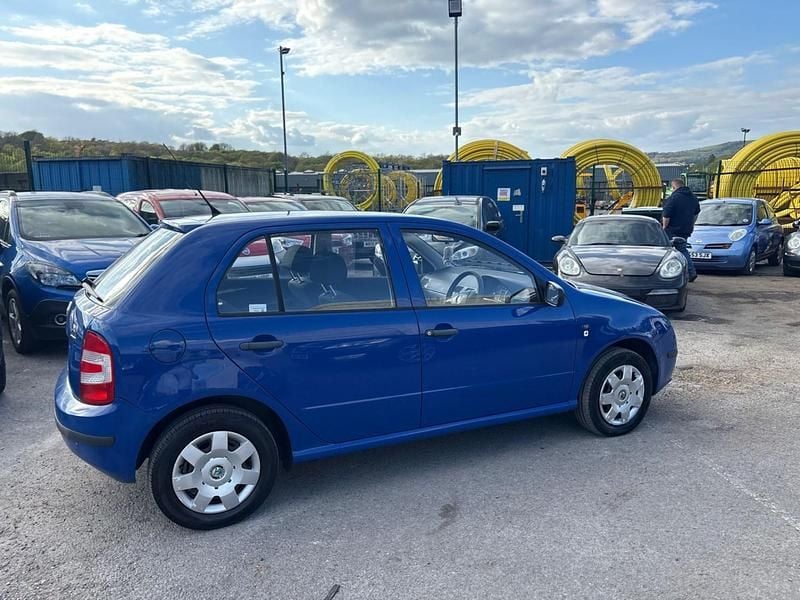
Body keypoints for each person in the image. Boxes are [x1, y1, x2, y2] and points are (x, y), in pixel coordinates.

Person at [662, 178, 700, 282]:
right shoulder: (693, 198)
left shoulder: (673, 198)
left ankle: (690, 272)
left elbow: (666, 215)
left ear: (674, 187)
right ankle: (686, 272)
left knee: (672, 251)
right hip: (686, 229)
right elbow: (696, 213)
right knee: (681, 248)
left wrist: (664, 227)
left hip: (672, 230)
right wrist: (691, 224)